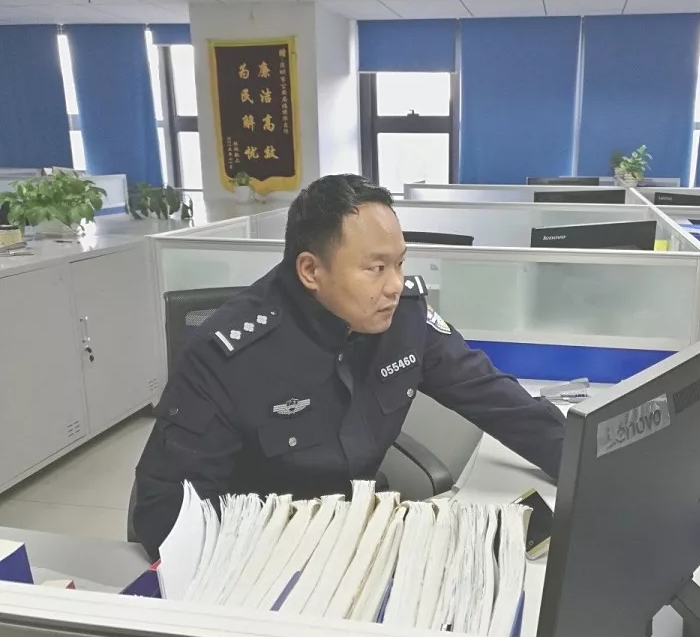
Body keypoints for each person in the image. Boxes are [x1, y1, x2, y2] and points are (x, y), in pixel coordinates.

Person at [133, 174, 566, 557]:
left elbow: (492, 395)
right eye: (376, 268)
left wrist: (581, 466)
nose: (395, 285)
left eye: (399, 263)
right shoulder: (226, 354)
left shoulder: (404, 317)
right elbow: (167, 515)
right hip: (267, 550)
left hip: (362, 529)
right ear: (310, 270)